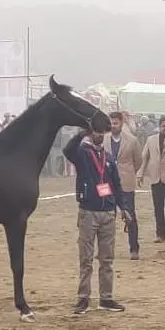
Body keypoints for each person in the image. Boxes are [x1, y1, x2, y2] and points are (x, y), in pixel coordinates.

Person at [63, 124, 133, 314]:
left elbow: (116, 185)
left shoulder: (108, 158)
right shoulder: (82, 154)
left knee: (107, 259)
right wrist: (81, 134)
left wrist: (123, 208)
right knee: (86, 259)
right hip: (88, 211)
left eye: (101, 132)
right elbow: (67, 150)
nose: (99, 134)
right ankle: (83, 298)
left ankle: (106, 298)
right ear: (90, 132)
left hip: (108, 212)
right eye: (95, 131)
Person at [138, 116, 165, 243]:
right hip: (155, 178)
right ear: (159, 127)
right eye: (164, 126)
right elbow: (144, 157)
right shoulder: (150, 139)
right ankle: (160, 234)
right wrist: (140, 174)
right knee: (158, 208)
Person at [107, 111, 144, 260]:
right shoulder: (103, 139)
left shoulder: (132, 140)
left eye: (115, 123)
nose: (113, 125)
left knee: (130, 216)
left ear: (122, 123)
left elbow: (138, 161)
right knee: (106, 218)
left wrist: (128, 173)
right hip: (106, 184)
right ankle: (106, 249)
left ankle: (134, 249)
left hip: (126, 183)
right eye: (111, 123)